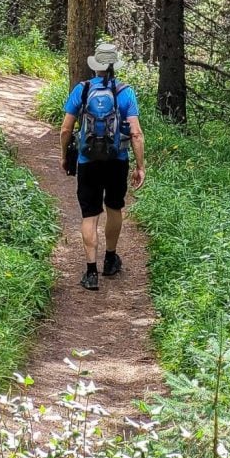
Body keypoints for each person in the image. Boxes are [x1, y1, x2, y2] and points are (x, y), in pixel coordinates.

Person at [60, 41, 146, 291]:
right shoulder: (125, 92)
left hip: (87, 161)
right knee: (114, 207)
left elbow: (66, 129)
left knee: (90, 214)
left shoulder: (83, 90)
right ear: (114, 66)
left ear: (96, 66)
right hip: (117, 160)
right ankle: (110, 259)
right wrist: (140, 166)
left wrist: (64, 156)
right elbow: (137, 134)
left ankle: (90, 272)